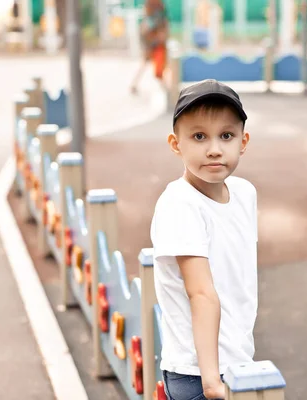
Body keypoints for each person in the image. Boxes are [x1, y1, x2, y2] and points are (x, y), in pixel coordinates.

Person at [150, 79, 256, 400]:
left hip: (236, 359)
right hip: (198, 374)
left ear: (243, 141)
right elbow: (201, 293)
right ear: (175, 143)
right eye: (199, 136)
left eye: (226, 135)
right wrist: (212, 381)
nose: (214, 148)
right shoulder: (181, 203)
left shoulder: (244, 193)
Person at [131, 0, 169, 93]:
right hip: (151, 45)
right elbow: (145, 31)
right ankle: (166, 88)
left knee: (159, 68)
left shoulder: (159, 14)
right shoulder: (151, 17)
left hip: (157, 45)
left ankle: (166, 88)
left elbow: (164, 31)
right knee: (148, 66)